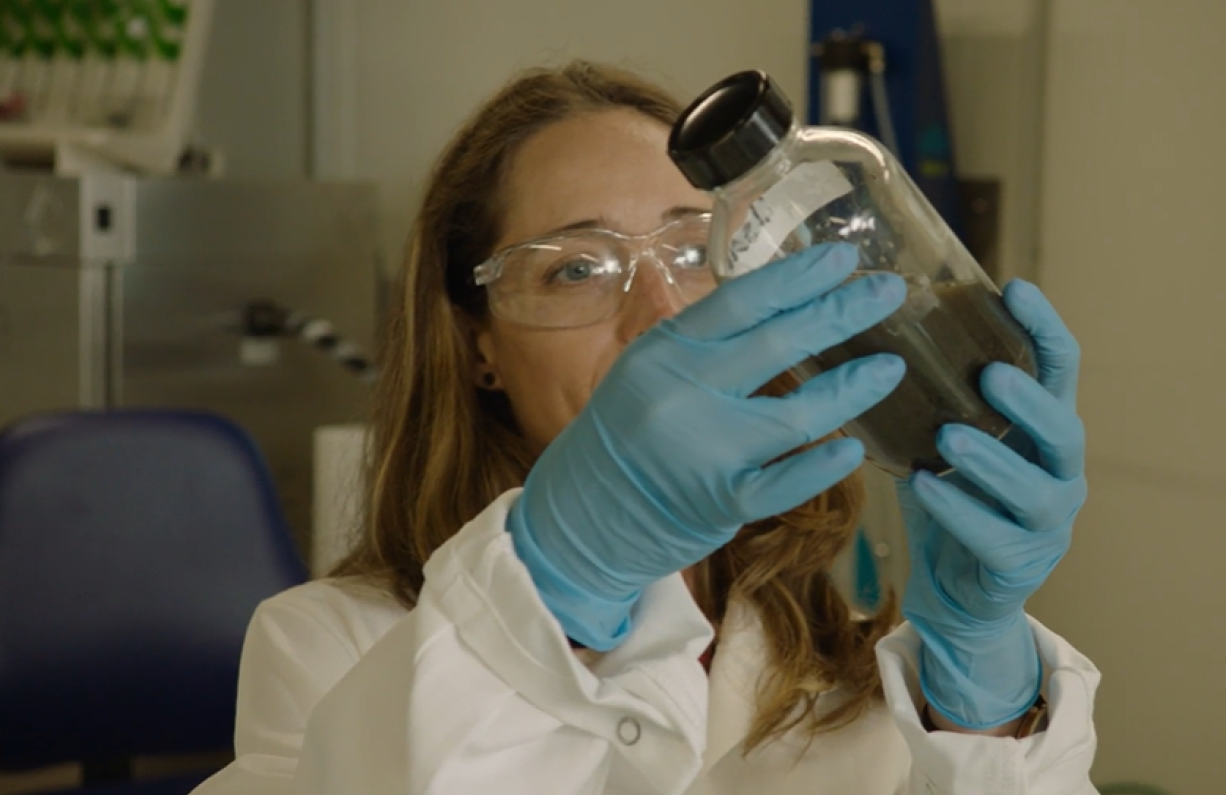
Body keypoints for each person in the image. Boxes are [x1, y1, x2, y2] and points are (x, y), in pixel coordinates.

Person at [192, 60, 1099, 795]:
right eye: (577, 269)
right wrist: (567, 572)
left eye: (698, 251)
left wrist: (982, 693)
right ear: (479, 349)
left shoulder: (856, 670)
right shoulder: (328, 645)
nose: (659, 317)